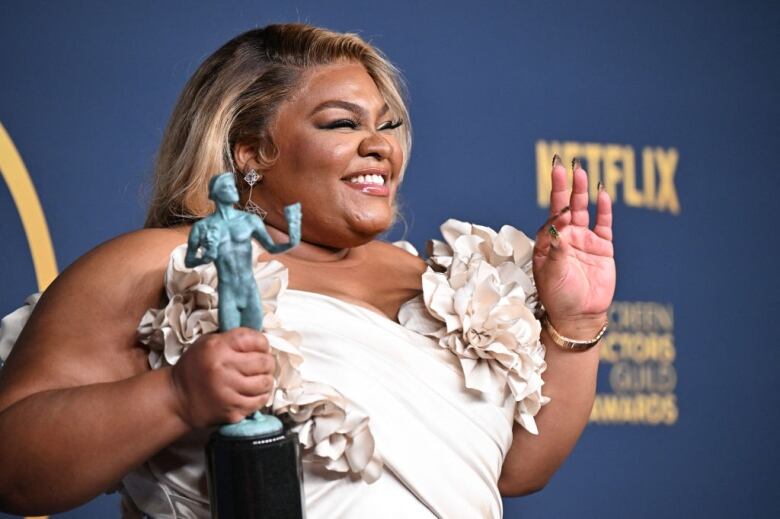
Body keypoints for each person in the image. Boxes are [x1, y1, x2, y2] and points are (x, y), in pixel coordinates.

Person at [0, 23, 615, 518]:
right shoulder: (153, 264)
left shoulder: (436, 280)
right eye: (343, 123)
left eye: (388, 124)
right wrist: (175, 397)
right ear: (249, 151)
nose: (380, 144)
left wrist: (577, 322)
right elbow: (13, 471)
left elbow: (515, 472)